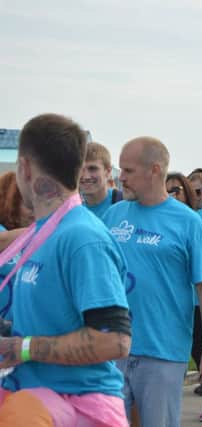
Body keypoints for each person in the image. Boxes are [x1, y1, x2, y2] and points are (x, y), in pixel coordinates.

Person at [0, 113, 131, 426]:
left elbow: (114, 340)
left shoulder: (82, 237)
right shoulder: (44, 231)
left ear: (25, 167)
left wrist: (22, 348)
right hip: (34, 398)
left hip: (73, 406)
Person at [102, 138, 202, 427]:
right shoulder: (113, 216)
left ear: (154, 170)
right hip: (111, 349)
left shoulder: (187, 222)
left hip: (162, 353)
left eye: (128, 171)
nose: (122, 178)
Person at [165, 173, 202, 403]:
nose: (171, 196)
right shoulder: (160, 220)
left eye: (176, 190)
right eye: (166, 191)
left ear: (187, 192)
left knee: (200, 347)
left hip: (198, 298)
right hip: (173, 299)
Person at [0, 172, 34, 319]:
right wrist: (44, 227)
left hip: (20, 332)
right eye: (28, 205)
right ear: (10, 204)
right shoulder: (4, 232)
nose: (35, 211)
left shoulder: (34, 240)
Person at [80, 142, 123, 219]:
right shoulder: (70, 209)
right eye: (80, 169)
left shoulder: (125, 203)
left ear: (108, 172)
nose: (86, 176)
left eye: (92, 169)